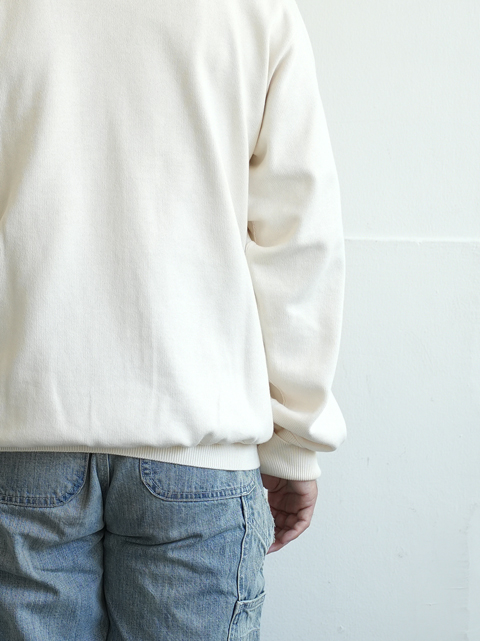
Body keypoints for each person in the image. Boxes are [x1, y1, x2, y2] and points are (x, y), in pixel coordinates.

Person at [0, 0, 346, 639]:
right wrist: (295, 440)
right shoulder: (255, 11)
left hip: (20, 433)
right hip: (198, 443)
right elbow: (298, 239)